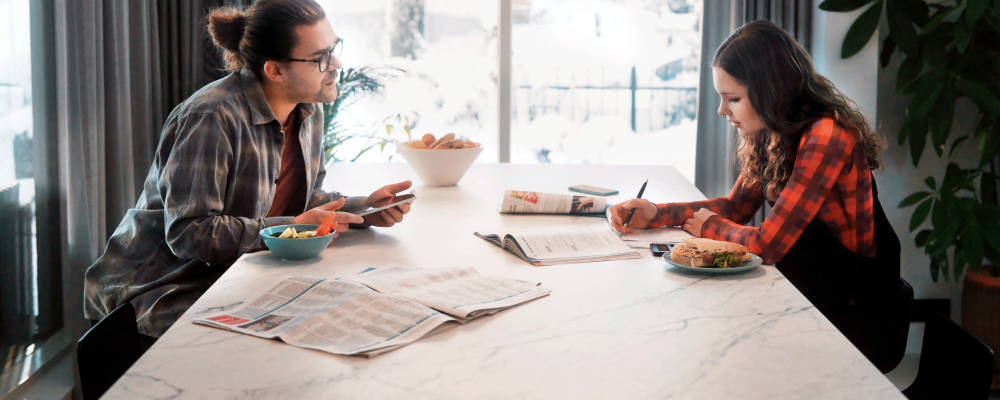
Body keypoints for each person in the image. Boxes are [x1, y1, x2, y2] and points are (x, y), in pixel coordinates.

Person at [84, 0, 414, 338]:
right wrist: (289, 228)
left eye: (334, 48)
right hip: (160, 291)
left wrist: (366, 208)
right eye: (321, 58)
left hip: (236, 275)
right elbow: (189, 233)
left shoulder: (307, 110)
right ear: (275, 71)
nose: (337, 64)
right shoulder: (210, 117)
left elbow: (295, 200)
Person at [609, 20, 902, 371]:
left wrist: (709, 227)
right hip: (810, 291)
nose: (722, 111)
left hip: (852, 312)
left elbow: (767, 244)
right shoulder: (771, 130)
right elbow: (736, 207)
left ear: (771, 92)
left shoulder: (826, 136)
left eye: (733, 99)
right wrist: (657, 214)